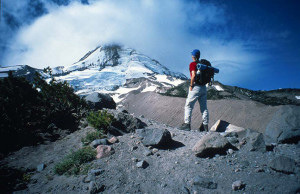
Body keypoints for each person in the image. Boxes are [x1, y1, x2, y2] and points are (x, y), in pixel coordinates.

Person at [179, 49, 209, 131]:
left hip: (196, 87)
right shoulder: (203, 65)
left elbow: (193, 75)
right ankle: (205, 126)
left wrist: (191, 85)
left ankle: (187, 124)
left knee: (189, 105)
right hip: (203, 87)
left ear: (193, 56)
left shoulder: (193, 64)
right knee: (204, 108)